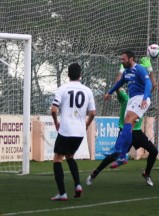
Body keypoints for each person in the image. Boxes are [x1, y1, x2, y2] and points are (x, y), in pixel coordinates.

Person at [86, 50, 152, 186]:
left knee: (128, 121)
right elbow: (120, 83)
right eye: (121, 59)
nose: (121, 61)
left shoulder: (139, 69)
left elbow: (149, 84)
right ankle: (121, 155)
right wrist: (109, 92)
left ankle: (119, 152)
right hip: (133, 100)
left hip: (141, 98)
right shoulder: (127, 72)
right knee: (128, 123)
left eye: (123, 59)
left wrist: (145, 98)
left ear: (131, 58)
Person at [50, 63, 96, 201]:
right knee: (70, 156)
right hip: (79, 132)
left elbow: (53, 109)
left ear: (68, 74)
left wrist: (56, 122)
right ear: (80, 75)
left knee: (57, 159)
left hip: (66, 130)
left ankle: (62, 193)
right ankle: (77, 185)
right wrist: (86, 124)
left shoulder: (63, 88)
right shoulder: (87, 90)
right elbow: (93, 112)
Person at [109, 88, 158, 186]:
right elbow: (118, 90)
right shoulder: (126, 98)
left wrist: (151, 73)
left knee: (154, 151)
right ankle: (96, 172)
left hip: (138, 133)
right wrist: (120, 77)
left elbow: (152, 87)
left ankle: (146, 174)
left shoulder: (144, 98)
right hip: (127, 131)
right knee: (115, 154)